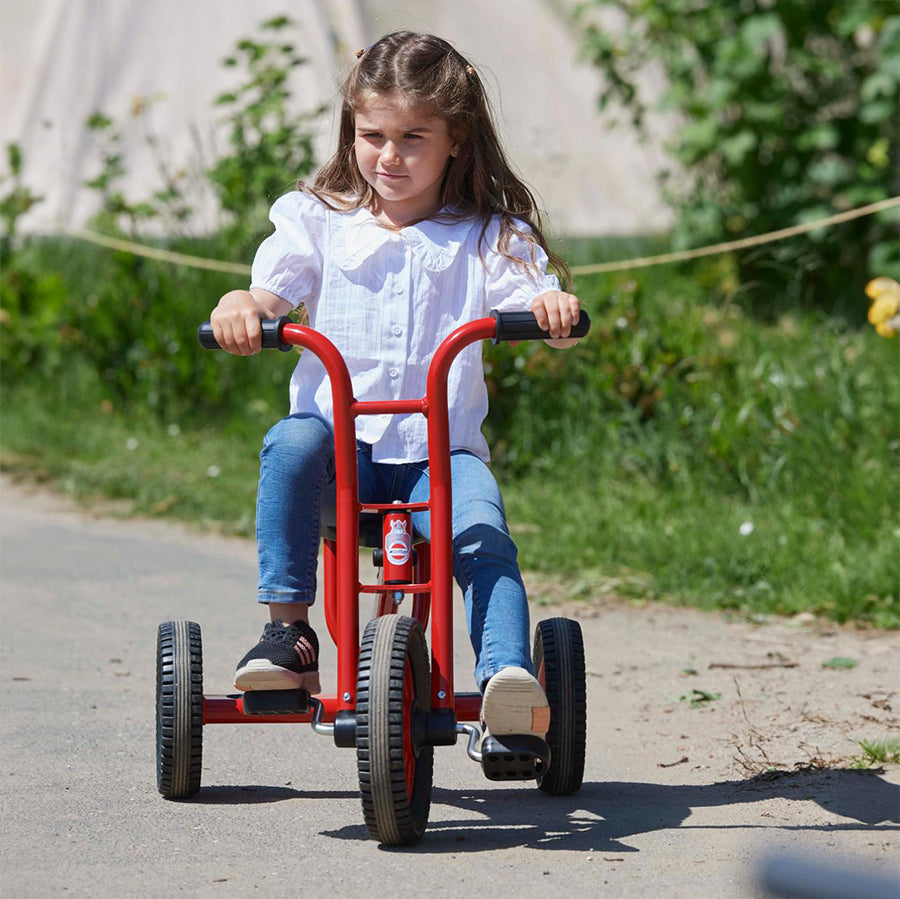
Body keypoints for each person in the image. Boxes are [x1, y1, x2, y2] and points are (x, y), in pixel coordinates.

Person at [209, 31, 582, 741]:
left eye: (413, 138)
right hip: (338, 461)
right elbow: (266, 296)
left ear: (456, 140)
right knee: (290, 441)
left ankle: (507, 677)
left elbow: (539, 306)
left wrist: (552, 311)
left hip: (439, 458)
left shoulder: (488, 236)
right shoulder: (318, 221)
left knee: (481, 533)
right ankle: (289, 635)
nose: (389, 156)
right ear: (352, 129)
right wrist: (240, 306)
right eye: (372, 135)